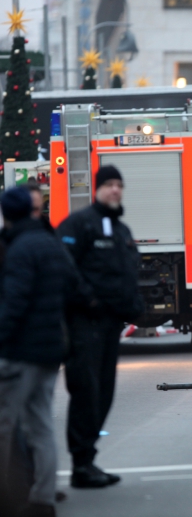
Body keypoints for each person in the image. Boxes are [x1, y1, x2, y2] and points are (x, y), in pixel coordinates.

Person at [57, 166, 144, 489]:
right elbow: (64, 267)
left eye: (119, 185)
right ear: (97, 189)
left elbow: (125, 274)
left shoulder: (120, 230)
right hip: (84, 324)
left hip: (110, 326)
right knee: (86, 391)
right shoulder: (80, 225)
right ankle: (81, 464)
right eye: (109, 184)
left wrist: (135, 306)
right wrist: (89, 301)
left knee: (104, 393)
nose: (115, 190)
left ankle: (89, 460)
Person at [0, 188, 76, 517]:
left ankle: (8, 495)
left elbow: (14, 303)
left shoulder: (19, 249)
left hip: (20, 352)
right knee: (41, 424)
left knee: (6, 425)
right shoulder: (51, 243)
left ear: (8, 215)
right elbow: (73, 287)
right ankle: (43, 497)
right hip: (50, 351)